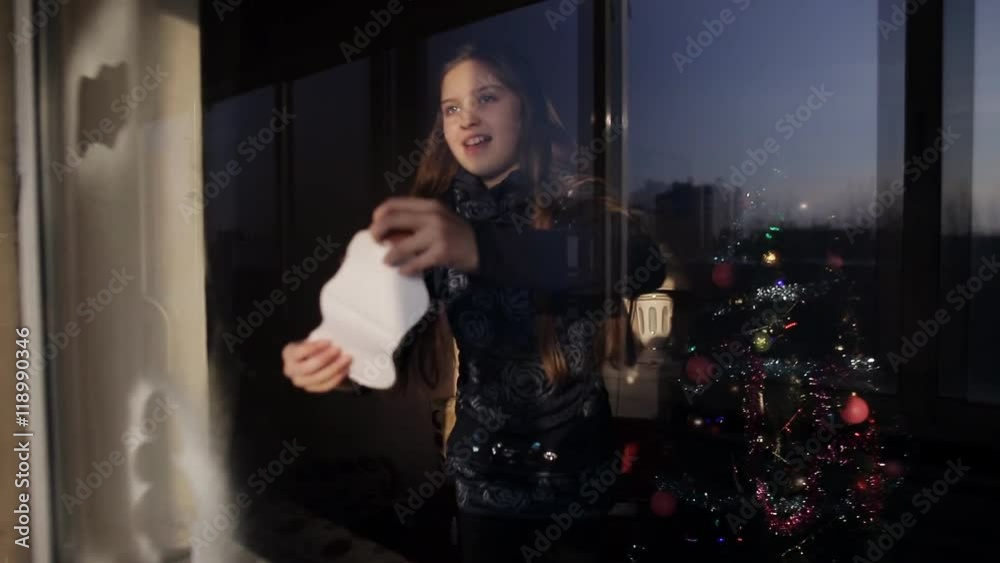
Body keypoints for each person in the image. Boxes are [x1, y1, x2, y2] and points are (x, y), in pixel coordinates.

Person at [282, 43, 667, 563]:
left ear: (525, 108)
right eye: (452, 108)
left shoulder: (577, 206)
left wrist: (480, 248)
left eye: (487, 97)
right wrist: (339, 359)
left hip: (576, 485)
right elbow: (388, 339)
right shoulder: (438, 219)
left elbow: (640, 263)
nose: (468, 118)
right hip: (483, 486)